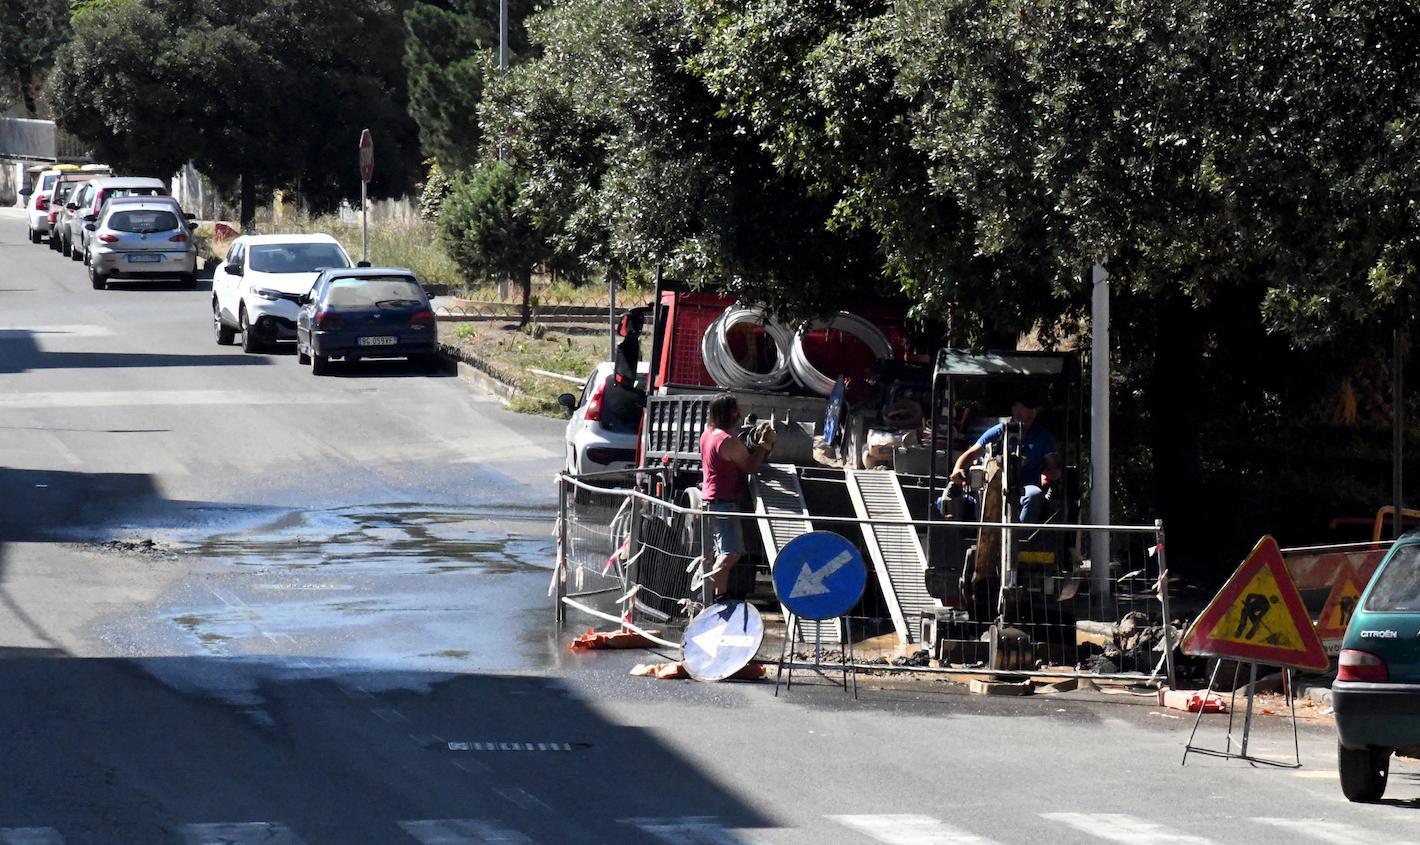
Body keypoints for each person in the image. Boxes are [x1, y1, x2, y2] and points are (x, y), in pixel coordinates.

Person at [699, 393, 774, 598]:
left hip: (710, 500)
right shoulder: (728, 442)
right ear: (732, 414)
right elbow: (749, 466)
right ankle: (715, 597)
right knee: (730, 554)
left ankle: (713, 594)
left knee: (722, 553)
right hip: (723, 503)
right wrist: (762, 448)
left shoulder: (708, 434)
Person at [949, 390, 1061, 524]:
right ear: (1014, 410)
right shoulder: (999, 431)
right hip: (995, 486)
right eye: (1022, 414)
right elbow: (971, 453)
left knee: (1034, 495)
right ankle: (984, 537)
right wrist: (957, 469)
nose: (1025, 419)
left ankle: (1018, 539)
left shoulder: (1043, 437)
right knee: (981, 494)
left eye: (1031, 415)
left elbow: (1055, 467)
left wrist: (1051, 474)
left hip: (1026, 487)